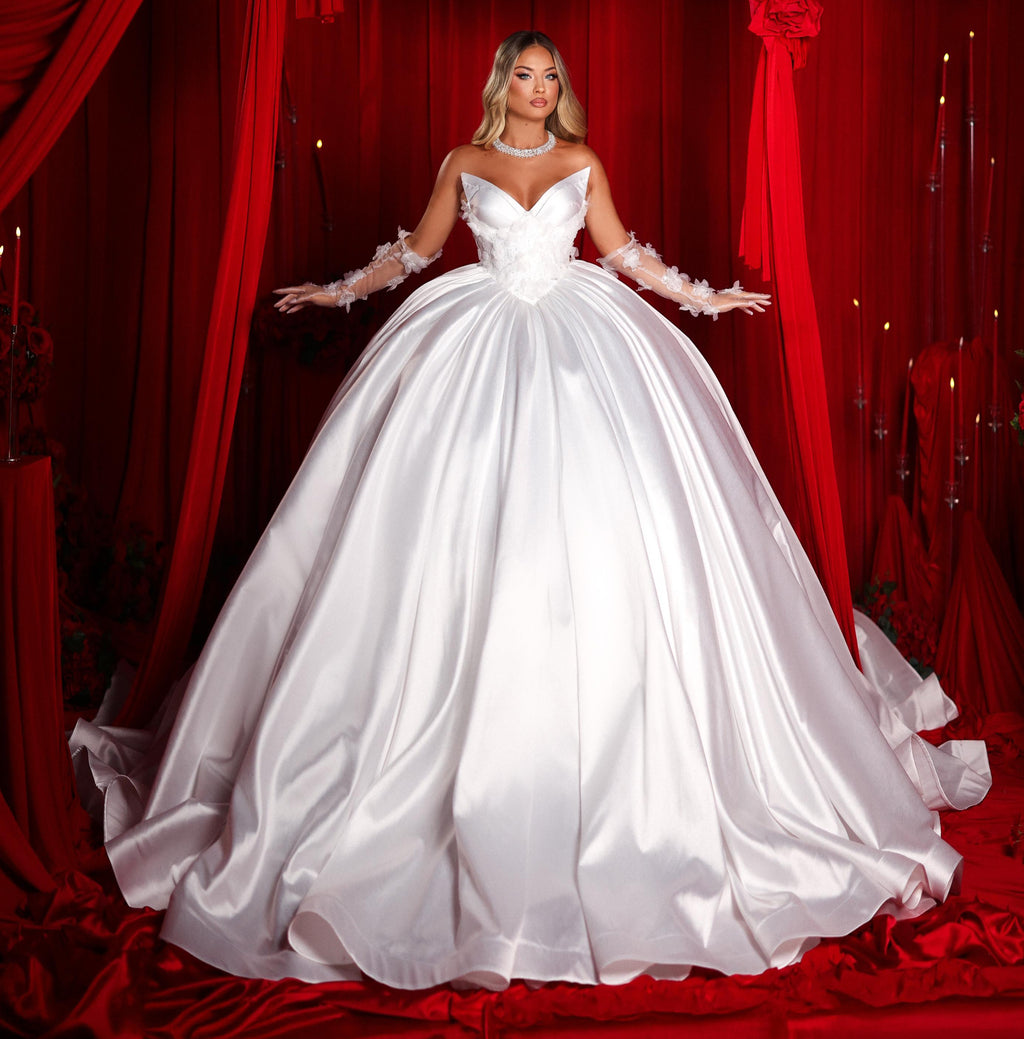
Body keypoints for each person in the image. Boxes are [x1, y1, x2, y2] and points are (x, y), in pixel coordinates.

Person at [71, 30, 989, 991]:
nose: (541, 89)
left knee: (607, 545)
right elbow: (416, 253)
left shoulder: (581, 161)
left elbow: (622, 250)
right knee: (422, 541)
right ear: (501, 83)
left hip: (582, 341)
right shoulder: (463, 161)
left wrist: (705, 297)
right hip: (469, 343)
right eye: (526, 74)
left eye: (553, 78)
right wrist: (338, 289)